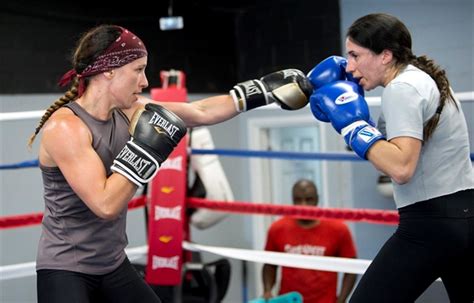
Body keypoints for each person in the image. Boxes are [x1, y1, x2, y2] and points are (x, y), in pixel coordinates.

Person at [28, 24, 313, 303]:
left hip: (112, 264)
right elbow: (105, 204)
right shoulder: (66, 128)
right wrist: (145, 149)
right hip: (66, 270)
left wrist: (260, 91)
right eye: (138, 70)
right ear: (108, 71)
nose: (145, 81)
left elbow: (199, 111)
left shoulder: (129, 112)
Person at [308, 13, 474, 302]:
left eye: (355, 55)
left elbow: (400, 167)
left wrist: (350, 125)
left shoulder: (401, 89)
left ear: (385, 55)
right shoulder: (425, 80)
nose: (349, 66)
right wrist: (358, 125)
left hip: (430, 224)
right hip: (464, 216)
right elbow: (388, 149)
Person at [262, 179, 357, 303]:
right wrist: (267, 291)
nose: (303, 205)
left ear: (317, 199)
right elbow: (269, 265)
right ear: (292, 200)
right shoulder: (277, 228)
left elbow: (351, 268)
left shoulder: (338, 229)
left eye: (309, 199)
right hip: (289, 300)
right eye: (298, 200)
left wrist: (341, 300)